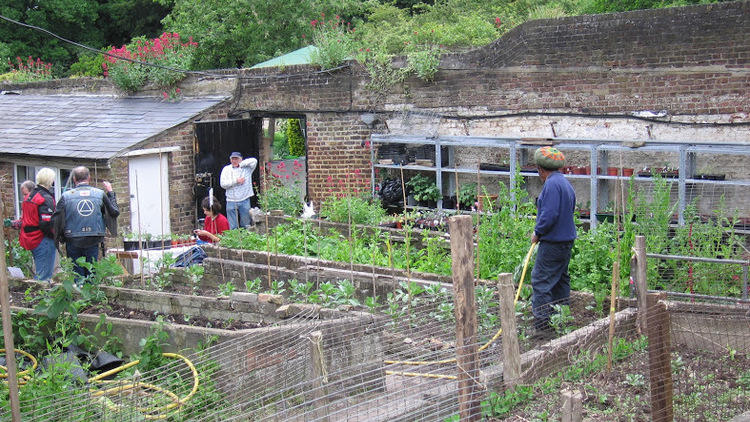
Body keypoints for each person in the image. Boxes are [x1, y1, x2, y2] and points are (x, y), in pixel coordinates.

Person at [530, 146, 577, 339]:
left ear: (541, 169)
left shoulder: (550, 185)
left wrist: (537, 232)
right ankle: (561, 318)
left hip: (553, 242)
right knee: (559, 280)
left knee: (541, 281)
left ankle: (543, 327)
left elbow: (549, 215)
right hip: (566, 240)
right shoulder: (566, 184)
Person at [53, 166, 119, 282]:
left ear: (74, 179)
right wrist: (110, 193)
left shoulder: (66, 196)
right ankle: (91, 296)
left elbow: (57, 219)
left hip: (73, 238)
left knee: (76, 273)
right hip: (93, 237)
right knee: (91, 271)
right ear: (89, 177)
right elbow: (114, 212)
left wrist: (60, 237)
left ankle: (79, 297)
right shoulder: (99, 194)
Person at [18, 171, 55, 281]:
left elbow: (26, 218)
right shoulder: (44, 198)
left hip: (31, 238)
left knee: (40, 272)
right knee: (43, 277)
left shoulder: (29, 196)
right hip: (42, 238)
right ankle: (41, 297)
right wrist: (55, 235)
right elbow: (46, 222)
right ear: (50, 180)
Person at [220, 152, 257, 230]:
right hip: (231, 200)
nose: (234, 161)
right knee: (232, 226)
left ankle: (245, 240)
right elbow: (223, 184)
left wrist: (241, 164)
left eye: (236, 159)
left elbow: (254, 161)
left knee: (246, 224)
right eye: (233, 159)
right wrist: (236, 181)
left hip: (245, 199)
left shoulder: (247, 168)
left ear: (241, 159)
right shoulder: (226, 169)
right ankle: (234, 240)